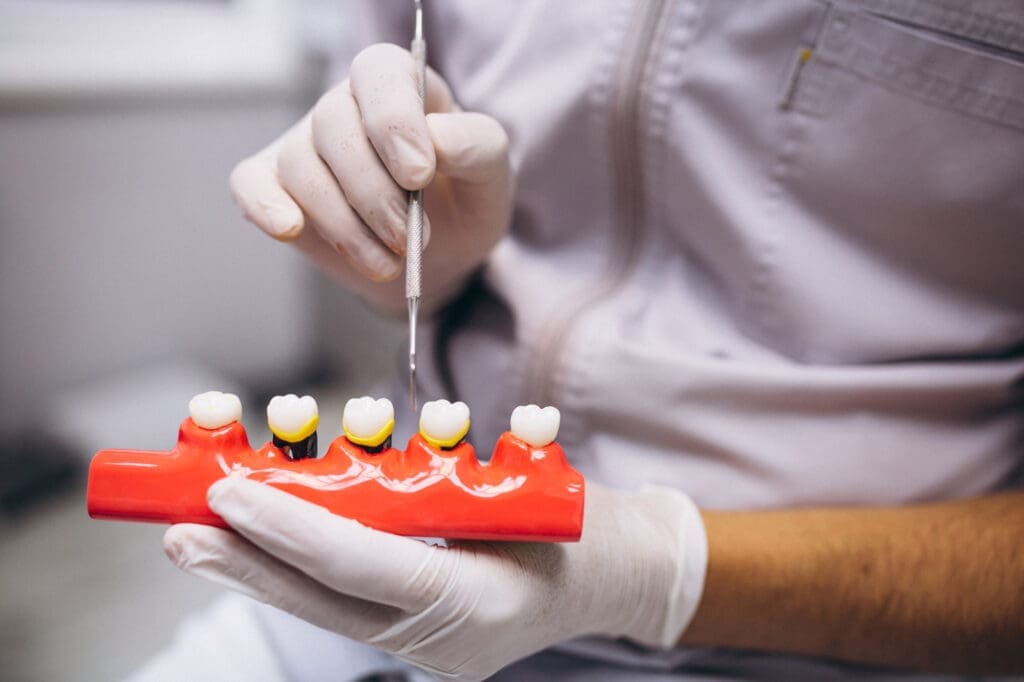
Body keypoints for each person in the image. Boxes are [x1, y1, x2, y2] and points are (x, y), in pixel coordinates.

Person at [140, 2, 1024, 680]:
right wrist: (411, 263)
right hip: (375, 565)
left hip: (830, 644)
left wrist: (658, 571)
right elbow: (382, 144)